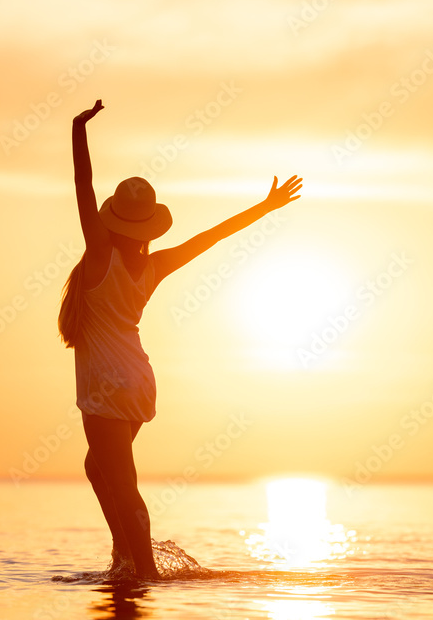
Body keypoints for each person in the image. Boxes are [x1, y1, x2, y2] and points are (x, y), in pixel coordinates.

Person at [58, 99, 303, 579]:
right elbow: (211, 236)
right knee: (99, 469)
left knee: (122, 482)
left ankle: (142, 572)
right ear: (147, 226)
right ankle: (125, 557)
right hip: (138, 378)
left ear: (112, 222)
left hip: (107, 384)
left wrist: (77, 129)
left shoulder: (98, 254)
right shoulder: (153, 263)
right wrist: (265, 206)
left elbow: (82, 186)